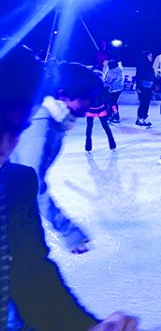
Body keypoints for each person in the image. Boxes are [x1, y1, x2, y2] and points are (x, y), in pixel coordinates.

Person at [0, 43, 139, 331]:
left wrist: (87, 327)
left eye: (16, 130)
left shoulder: (15, 185)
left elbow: (31, 277)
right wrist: (67, 229)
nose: (4, 147)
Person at [12, 61, 102, 254]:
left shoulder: (54, 121)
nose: (91, 104)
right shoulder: (41, 125)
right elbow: (31, 184)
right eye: (87, 98)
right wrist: (68, 231)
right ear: (62, 94)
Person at [85, 80, 117, 153]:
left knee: (90, 127)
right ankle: (112, 144)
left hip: (94, 110)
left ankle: (88, 146)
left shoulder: (89, 89)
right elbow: (109, 100)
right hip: (98, 109)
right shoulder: (102, 89)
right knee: (105, 127)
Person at [135, 50, 155, 127]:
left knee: (147, 103)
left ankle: (144, 117)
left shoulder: (150, 66)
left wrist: (153, 85)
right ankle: (139, 118)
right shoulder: (141, 65)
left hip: (149, 87)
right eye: (150, 56)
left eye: (151, 56)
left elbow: (152, 76)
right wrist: (138, 86)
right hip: (142, 86)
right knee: (143, 103)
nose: (151, 57)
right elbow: (138, 76)